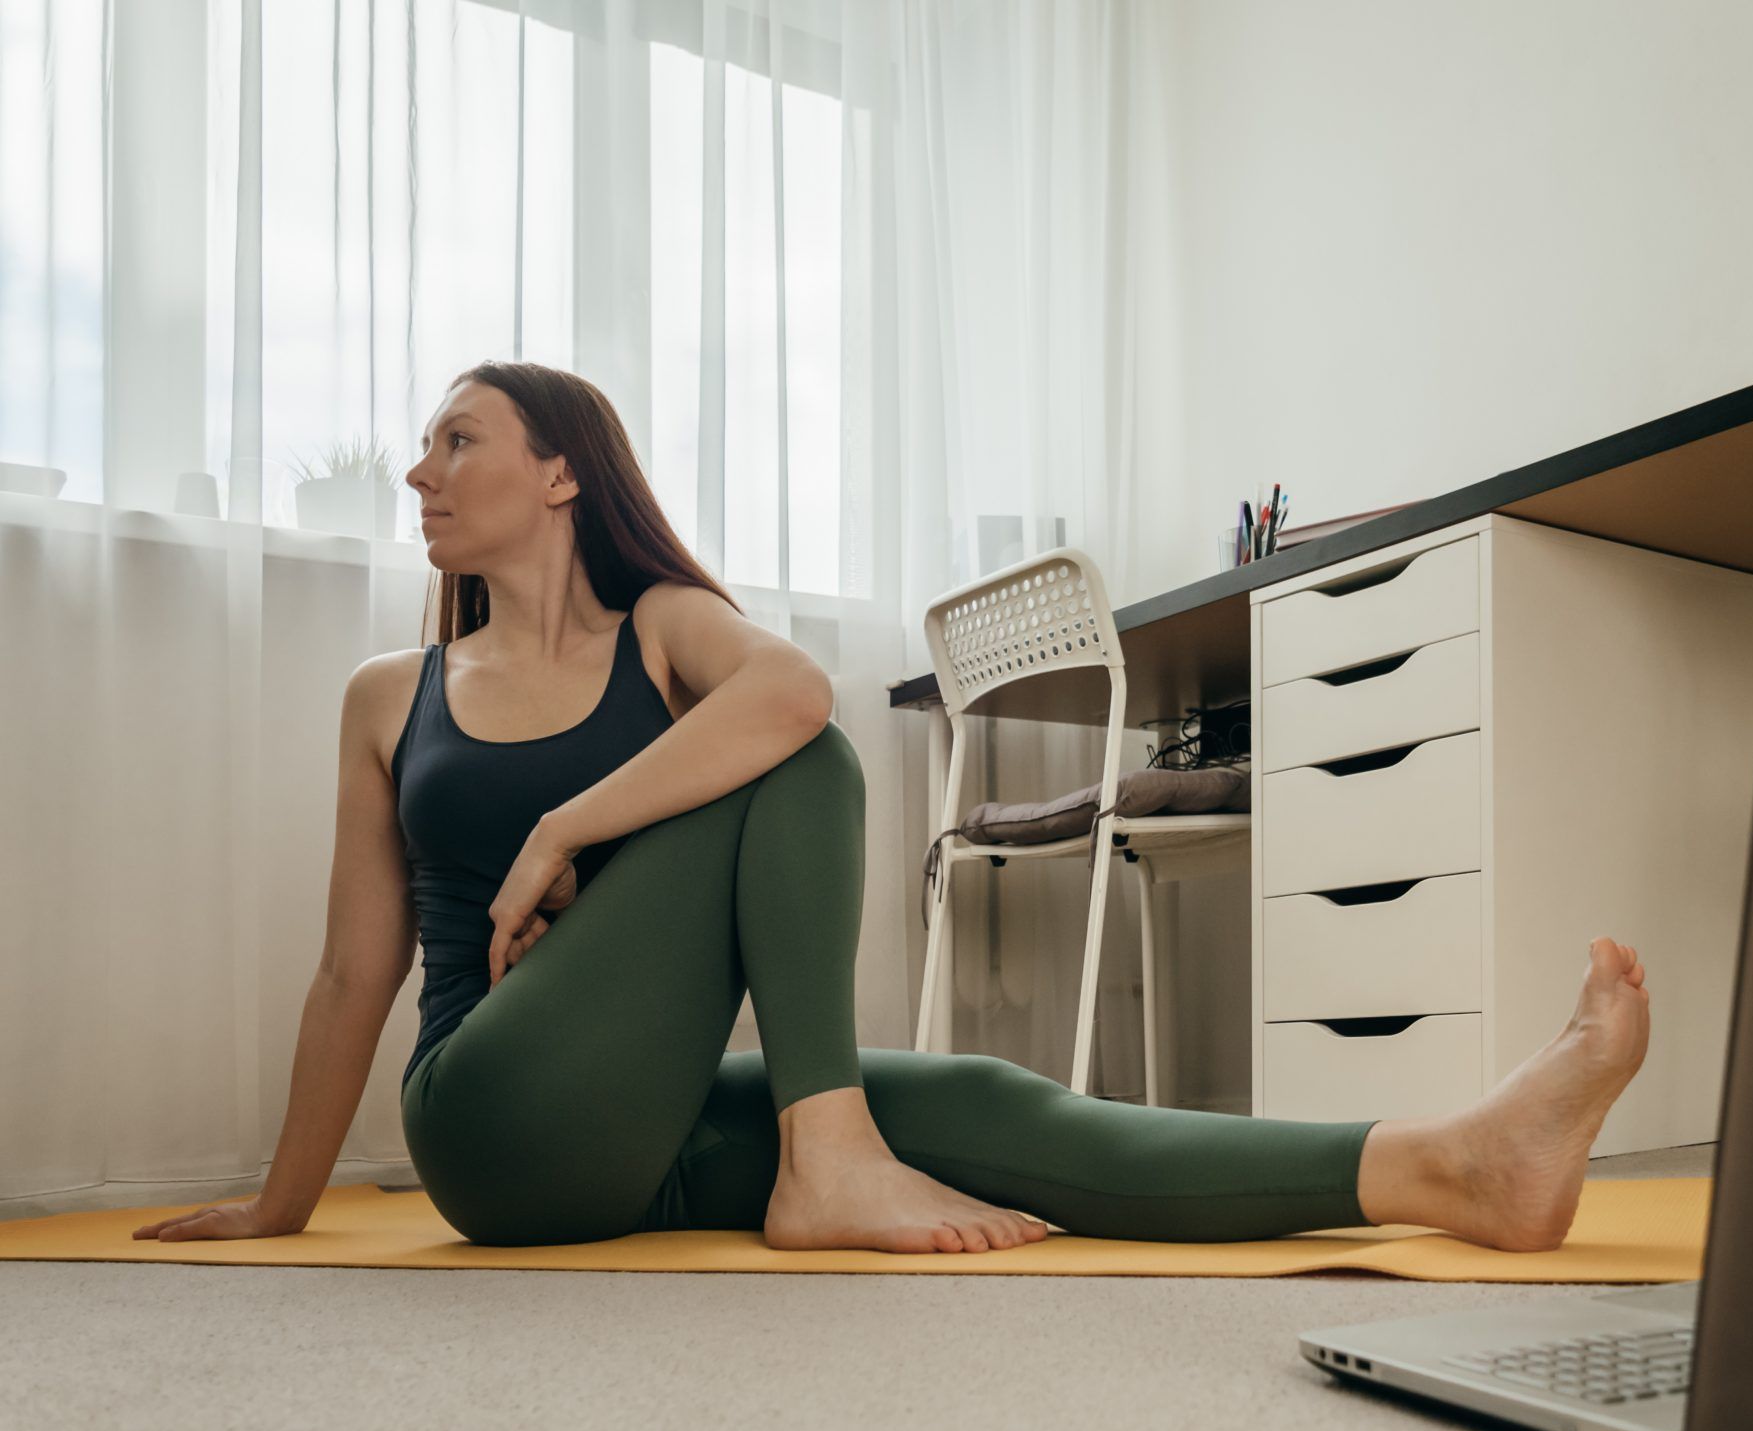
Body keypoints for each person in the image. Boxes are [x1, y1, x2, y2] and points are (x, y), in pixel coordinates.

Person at [134, 361, 1652, 1256]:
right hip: (493, 1116)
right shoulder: (387, 693)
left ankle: (1453, 1167)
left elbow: (793, 689)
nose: (418, 469)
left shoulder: (662, 627)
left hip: (643, 1119)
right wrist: (282, 1205)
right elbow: (356, 975)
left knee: (986, 1108)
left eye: (455, 438)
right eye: (423, 448)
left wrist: (561, 827)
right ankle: (831, 1154)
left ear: (557, 477)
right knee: (798, 770)